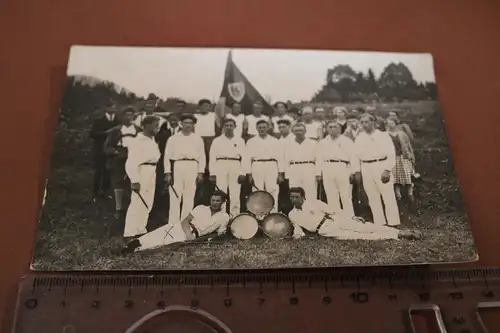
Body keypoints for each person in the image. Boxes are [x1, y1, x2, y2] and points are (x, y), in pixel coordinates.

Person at [288, 187, 420, 240]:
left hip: (333, 220)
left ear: (303, 197)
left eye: (296, 197)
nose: (294, 199)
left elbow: (333, 210)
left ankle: (401, 232)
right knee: (359, 236)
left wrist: (351, 217)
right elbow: (298, 229)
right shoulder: (292, 214)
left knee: (366, 227)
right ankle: (396, 235)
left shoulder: (314, 202)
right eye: (292, 197)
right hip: (325, 231)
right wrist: (297, 236)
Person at [121, 191, 230, 254]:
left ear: (223, 202)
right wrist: (188, 234)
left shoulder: (224, 217)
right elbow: (185, 221)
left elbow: (219, 233)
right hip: (182, 228)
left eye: (218, 201)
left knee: (163, 243)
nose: (214, 203)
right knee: (157, 234)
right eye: (213, 200)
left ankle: (135, 250)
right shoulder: (201, 208)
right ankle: (133, 244)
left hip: (193, 234)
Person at [353, 114, 400, 226]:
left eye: (367, 122)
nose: (364, 124)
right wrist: (357, 171)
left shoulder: (383, 135)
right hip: (366, 167)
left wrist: (387, 170)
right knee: (372, 196)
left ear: (373, 122)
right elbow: (355, 155)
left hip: (381, 165)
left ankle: (393, 222)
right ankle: (380, 223)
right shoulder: (360, 137)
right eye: (362, 122)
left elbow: (391, 153)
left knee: (387, 195)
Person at [164, 114, 205, 224]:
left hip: (192, 166)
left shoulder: (197, 139)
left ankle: (184, 223)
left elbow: (202, 156)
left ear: (193, 125)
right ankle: (172, 224)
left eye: (190, 123)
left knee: (189, 196)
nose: (188, 125)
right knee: (175, 196)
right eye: (186, 123)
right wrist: (167, 172)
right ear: (181, 124)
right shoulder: (173, 138)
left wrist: (200, 172)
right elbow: (167, 156)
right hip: (178, 165)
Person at [123, 116, 161, 237]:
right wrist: (134, 180)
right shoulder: (138, 141)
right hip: (142, 171)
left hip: (152, 171)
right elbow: (131, 163)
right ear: (146, 126)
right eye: (155, 125)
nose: (157, 128)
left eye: (158, 125)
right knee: (137, 202)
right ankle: (129, 232)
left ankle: (140, 229)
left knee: (148, 202)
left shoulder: (152, 140)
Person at [103, 107, 142, 218]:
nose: (129, 117)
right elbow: (107, 147)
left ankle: (134, 207)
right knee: (118, 182)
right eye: (126, 115)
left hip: (135, 158)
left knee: (134, 181)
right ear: (122, 117)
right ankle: (119, 208)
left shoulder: (139, 130)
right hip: (120, 158)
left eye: (131, 115)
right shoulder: (116, 130)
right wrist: (115, 152)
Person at [242, 120, 284, 212]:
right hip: (257, 165)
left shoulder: (275, 141)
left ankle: (273, 213)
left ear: (268, 128)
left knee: (272, 190)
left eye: (264, 127)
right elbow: (247, 158)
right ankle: (258, 214)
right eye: (260, 127)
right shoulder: (251, 141)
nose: (262, 129)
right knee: (257, 190)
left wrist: (280, 174)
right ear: (256, 128)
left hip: (272, 165)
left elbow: (280, 157)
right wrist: (249, 174)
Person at [316, 121, 356, 217]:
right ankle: (336, 218)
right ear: (326, 129)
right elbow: (319, 158)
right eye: (330, 127)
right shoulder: (323, 142)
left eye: (335, 127)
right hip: (327, 167)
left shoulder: (347, 141)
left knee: (345, 196)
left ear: (340, 129)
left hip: (342, 167)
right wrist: (318, 173)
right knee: (331, 195)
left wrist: (353, 172)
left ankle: (350, 218)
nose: (332, 129)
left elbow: (353, 157)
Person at [209, 118, 246, 217]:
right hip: (220, 165)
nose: (229, 128)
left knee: (235, 194)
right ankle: (221, 218)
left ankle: (234, 218)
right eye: (226, 125)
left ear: (235, 127)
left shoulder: (240, 140)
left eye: (231, 125)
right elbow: (212, 157)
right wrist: (212, 173)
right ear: (223, 127)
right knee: (221, 192)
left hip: (235, 165)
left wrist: (243, 173)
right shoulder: (217, 140)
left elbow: (245, 157)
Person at [90, 102, 119, 201]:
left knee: (108, 172)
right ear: (106, 108)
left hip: (111, 150)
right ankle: (96, 193)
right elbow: (92, 134)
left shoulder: (118, 121)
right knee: (98, 171)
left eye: (114, 107)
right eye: (110, 106)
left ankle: (105, 192)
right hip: (99, 150)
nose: (112, 109)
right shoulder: (98, 121)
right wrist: (106, 133)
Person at [283, 123, 318, 202]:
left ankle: (311, 211)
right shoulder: (288, 144)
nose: (299, 132)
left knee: (310, 192)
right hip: (294, 168)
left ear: (305, 131)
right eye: (296, 130)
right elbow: (285, 159)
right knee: (295, 192)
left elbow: (318, 159)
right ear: (292, 132)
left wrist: (317, 173)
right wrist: (287, 174)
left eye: (301, 130)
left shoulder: (313, 143)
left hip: (309, 168)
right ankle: (297, 212)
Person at [386, 117, 415, 202]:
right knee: (395, 178)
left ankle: (410, 194)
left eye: (392, 123)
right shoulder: (385, 134)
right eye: (388, 123)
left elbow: (408, 145)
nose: (390, 125)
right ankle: (398, 196)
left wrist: (411, 156)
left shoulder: (402, 134)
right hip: (392, 158)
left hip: (403, 157)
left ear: (395, 124)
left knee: (407, 176)